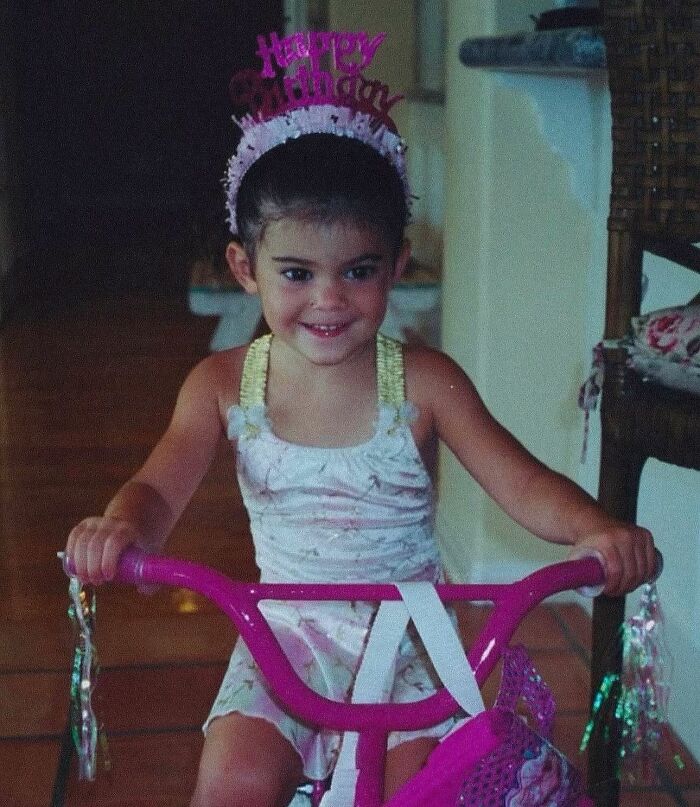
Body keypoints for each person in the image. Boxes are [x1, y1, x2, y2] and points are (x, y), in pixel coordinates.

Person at [63, 30, 656, 807]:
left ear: (397, 265)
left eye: (360, 270)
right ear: (246, 268)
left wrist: (594, 529)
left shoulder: (424, 380)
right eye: (298, 272)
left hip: (411, 636)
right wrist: (122, 526)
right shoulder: (220, 384)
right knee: (232, 779)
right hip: (287, 638)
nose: (330, 299)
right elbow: (159, 487)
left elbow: (522, 483)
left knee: (425, 792)